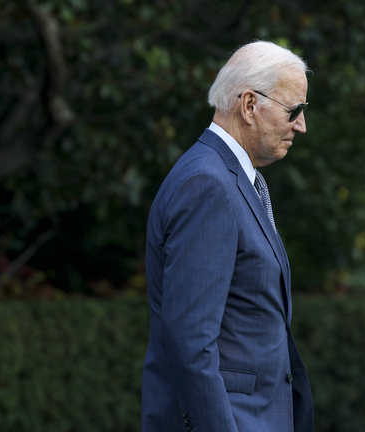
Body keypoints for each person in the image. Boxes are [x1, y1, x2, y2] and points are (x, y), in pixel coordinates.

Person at [141, 40, 314, 432]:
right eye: (295, 110)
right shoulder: (209, 183)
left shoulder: (226, 178)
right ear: (249, 105)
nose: (301, 125)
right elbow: (191, 344)